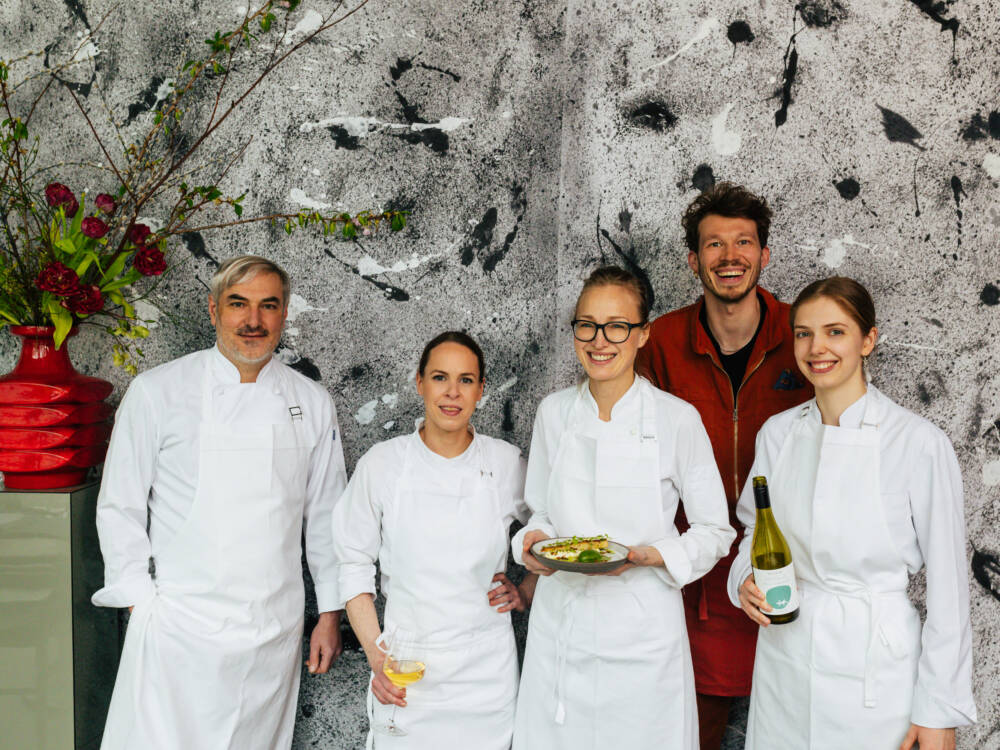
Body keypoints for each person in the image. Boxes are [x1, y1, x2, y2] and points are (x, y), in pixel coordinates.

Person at [92, 256, 347, 750]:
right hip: (179, 627)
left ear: (284, 314)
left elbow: (326, 515)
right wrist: (139, 601)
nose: (253, 320)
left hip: (271, 629)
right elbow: (119, 503)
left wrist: (330, 614)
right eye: (238, 304)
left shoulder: (312, 401)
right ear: (213, 311)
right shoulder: (157, 392)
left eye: (268, 306)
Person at [728, 276, 977, 749]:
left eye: (835, 331)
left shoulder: (918, 443)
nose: (816, 347)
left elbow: (949, 590)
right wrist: (743, 577)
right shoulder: (777, 435)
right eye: (803, 333)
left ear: (868, 340)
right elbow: (752, 532)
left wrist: (939, 711)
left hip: (875, 676)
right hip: (786, 663)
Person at [512, 266, 734, 750]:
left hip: (643, 632)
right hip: (562, 631)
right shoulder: (554, 413)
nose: (599, 340)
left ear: (642, 334)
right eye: (586, 325)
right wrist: (530, 543)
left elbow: (715, 530)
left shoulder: (677, 419)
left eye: (617, 326)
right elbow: (543, 514)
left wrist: (646, 556)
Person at [635, 182, 813, 748]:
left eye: (744, 242)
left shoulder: (803, 336)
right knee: (690, 737)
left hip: (791, 578)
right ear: (693, 260)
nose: (729, 256)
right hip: (694, 590)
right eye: (714, 244)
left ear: (765, 254)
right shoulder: (660, 341)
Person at [334, 331, 532, 750]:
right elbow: (352, 563)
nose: (452, 392)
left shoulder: (505, 462)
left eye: (466, 380)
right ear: (419, 382)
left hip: (486, 673)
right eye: (440, 377)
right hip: (407, 667)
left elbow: (554, 532)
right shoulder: (383, 464)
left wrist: (529, 589)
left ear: (481, 390)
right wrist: (376, 655)